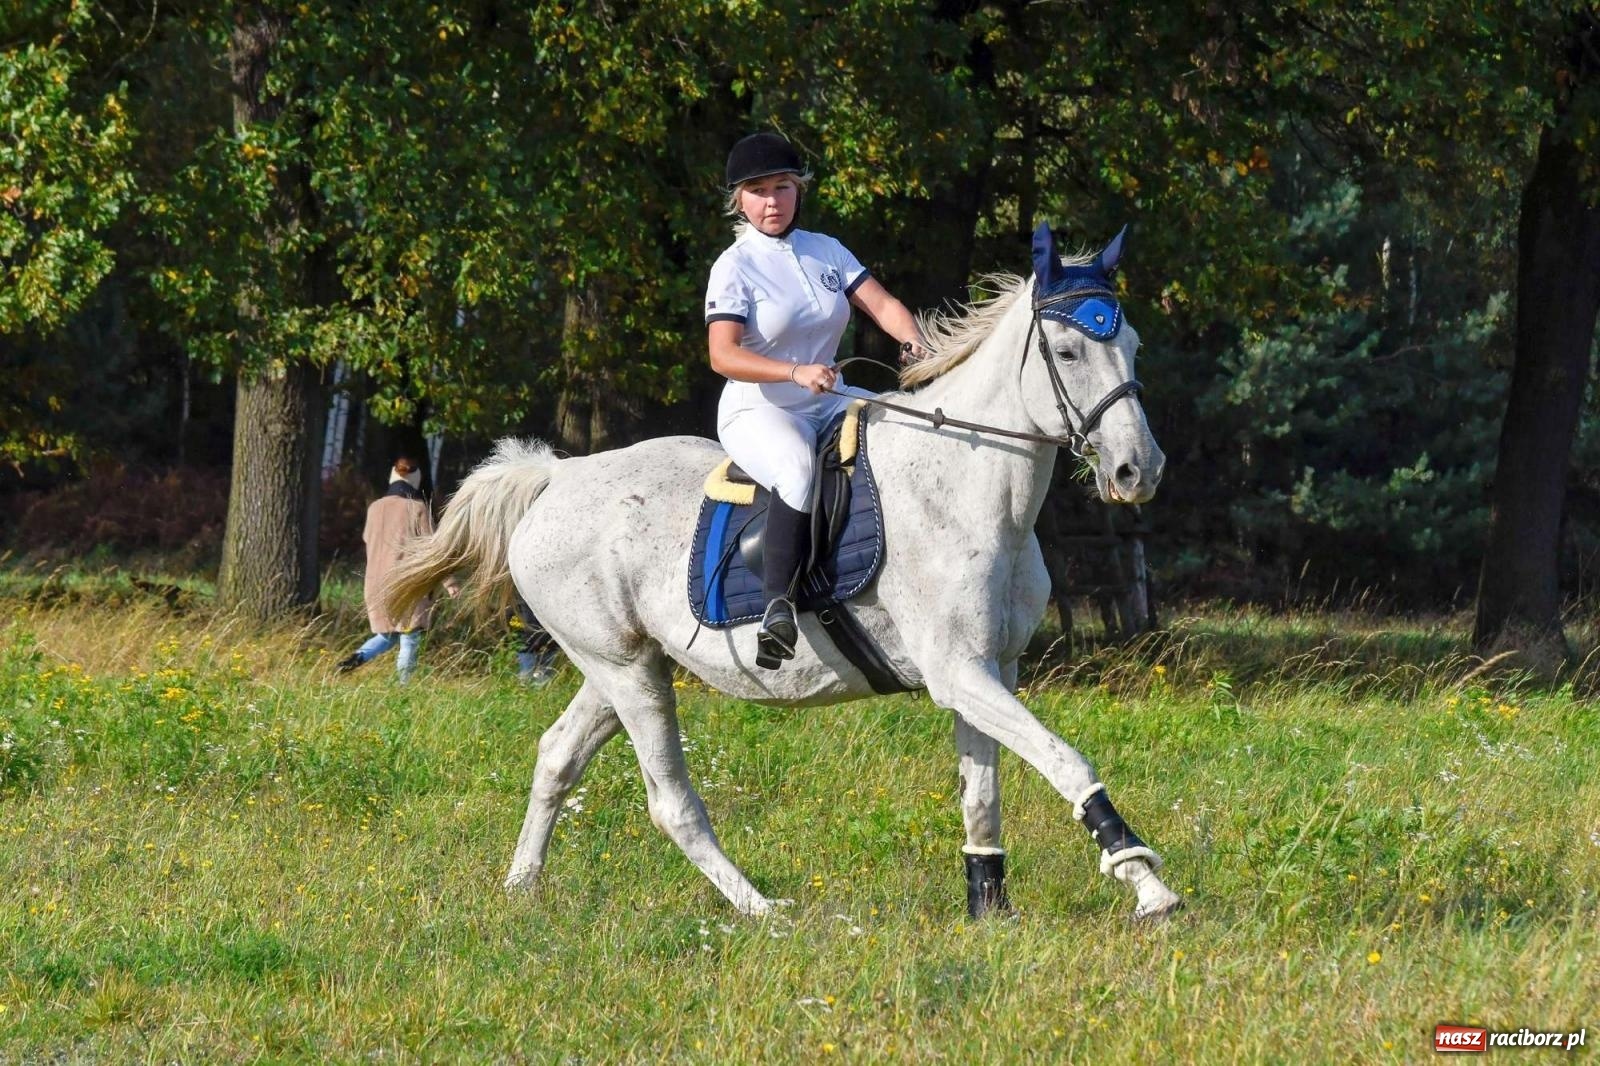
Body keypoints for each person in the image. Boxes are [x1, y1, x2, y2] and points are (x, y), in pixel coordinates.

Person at [705, 131, 927, 668]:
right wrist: (794, 370)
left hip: (827, 391)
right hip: (760, 405)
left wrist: (916, 341)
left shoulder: (826, 250)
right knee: (797, 465)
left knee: (907, 427)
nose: (772, 201)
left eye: (782, 187)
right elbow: (723, 356)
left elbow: (884, 304)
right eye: (758, 191)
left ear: (798, 191)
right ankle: (776, 605)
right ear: (740, 200)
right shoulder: (733, 266)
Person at [336, 456, 457, 682]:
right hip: (405, 583)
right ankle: (404, 687)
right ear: (415, 479)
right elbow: (434, 549)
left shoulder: (374, 508)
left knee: (388, 635)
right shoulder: (417, 508)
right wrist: (449, 583)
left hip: (375, 584)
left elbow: (367, 540)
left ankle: (349, 663)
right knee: (409, 636)